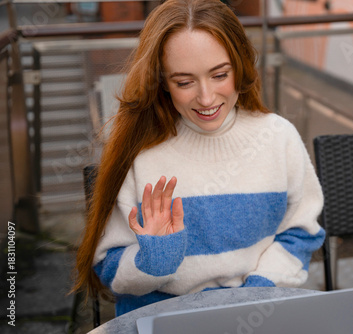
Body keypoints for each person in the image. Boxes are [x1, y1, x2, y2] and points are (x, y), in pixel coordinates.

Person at [73, 0, 325, 317]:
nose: (206, 98)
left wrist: (254, 296)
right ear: (162, 82)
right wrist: (156, 259)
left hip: (255, 313)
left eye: (219, 75)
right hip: (161, 316)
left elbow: (301, 234)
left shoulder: (280, 137)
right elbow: (109, 268)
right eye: (184, 82)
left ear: (242, 66)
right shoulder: (138, 151)